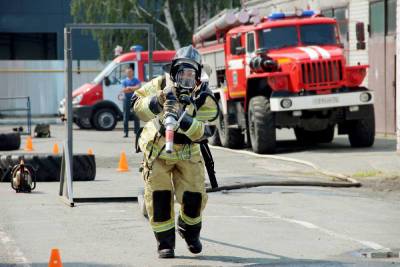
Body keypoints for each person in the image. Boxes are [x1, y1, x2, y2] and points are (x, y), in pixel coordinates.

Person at [131, 46, 218, 258]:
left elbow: (210, 124)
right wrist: (159, 99)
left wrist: (186, 119)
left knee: (194, 197)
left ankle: (189, 232)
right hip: (158, 149)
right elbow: (137, 104)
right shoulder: (161, 84)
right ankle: (165, 243)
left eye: (191, 74)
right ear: (173, 73)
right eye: (182, 73)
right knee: (159, 196)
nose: (186, 79)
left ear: (197, 75)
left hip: (188, 151)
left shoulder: (202, 95)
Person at [121, 65, 141, 137]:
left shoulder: (136, 80)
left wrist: (129, 88)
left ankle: (137, 132)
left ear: (132, 72)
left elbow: (138, 88)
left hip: (135, 99)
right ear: (126, 73)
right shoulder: (124, 81)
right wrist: (132, 89)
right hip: (126, 100)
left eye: (130, 72)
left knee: (136, 116)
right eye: (128, 72)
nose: (129, 73)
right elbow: (124, 90)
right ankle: (125, 132)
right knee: (126, 116)